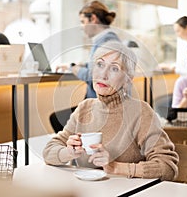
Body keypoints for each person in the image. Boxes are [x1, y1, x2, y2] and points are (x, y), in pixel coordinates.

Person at [43, 41, 179, 180]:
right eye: (100, 65)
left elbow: (167, 168)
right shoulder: (85, 108)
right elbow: (48, 152)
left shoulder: (140, 112)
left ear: (128, 80)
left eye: (114, 68)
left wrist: (115, 167)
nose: (103, 75)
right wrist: (69, 152)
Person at [56, 0, 121, 99]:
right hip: (98, 104)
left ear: (93, 19)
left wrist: (71, 67)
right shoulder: (105, 40)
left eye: (83, 22)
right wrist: (82, 65)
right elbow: (98, 67)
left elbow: (93, 78)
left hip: (102, 108)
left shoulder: (107, 42)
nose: (82, 27)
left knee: (56, 115)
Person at [155, 14, 187, 118]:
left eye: (178, 31)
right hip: (185, 88)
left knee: (160, 104)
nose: (177, 35)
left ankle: (170, 130)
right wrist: (171, 66)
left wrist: (174, 69)